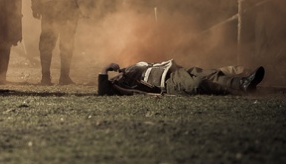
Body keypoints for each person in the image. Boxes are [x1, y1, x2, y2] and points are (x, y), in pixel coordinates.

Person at [98, 60, 265, 95]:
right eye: (114, 79)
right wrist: (105, 69)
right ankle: (238, 91)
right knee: (199, 83)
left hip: (175, 70)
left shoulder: (129, 69)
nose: (116, 78)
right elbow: (103, 90)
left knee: (211, 73)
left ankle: (243, 83)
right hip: (168, 82)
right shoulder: (123, 84)